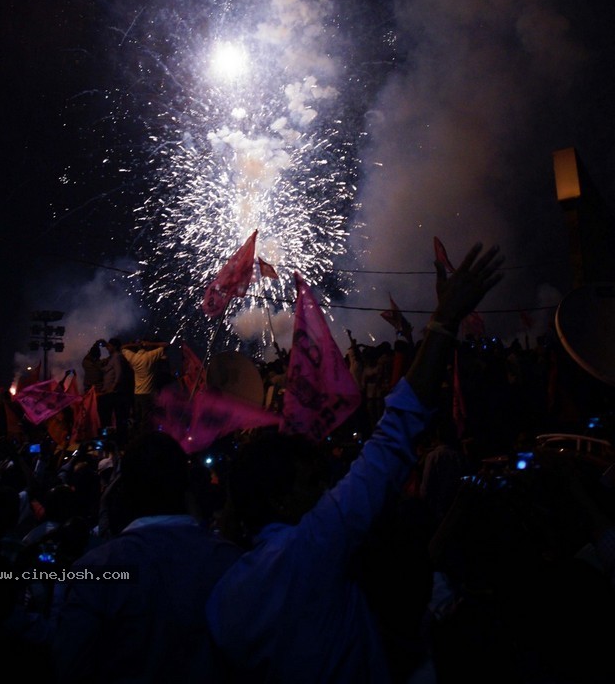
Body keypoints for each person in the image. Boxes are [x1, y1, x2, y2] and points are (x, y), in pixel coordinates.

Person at [206, 241, 505, 683]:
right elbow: (393, 436)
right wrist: (443, 323)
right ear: (281, 498)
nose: (324, 490)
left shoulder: (221, 597)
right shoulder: (315, 546)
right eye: (310, 483)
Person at [52, 430, 244, 683]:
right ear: (185, 486)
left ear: (124, 489)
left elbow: (69, 666)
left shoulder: (97, 570)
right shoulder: (235, 563)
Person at [121, 339, 170, 434]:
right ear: (146, 347)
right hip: (148, 393)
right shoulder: (150, 356)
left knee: (138, 417)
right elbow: (166, 345)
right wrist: (151, 343)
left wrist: (134, 344)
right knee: (146, 419)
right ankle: (145, 438)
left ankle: (136, 436)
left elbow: (122, 348)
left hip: (137, 393)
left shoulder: (133, 357)